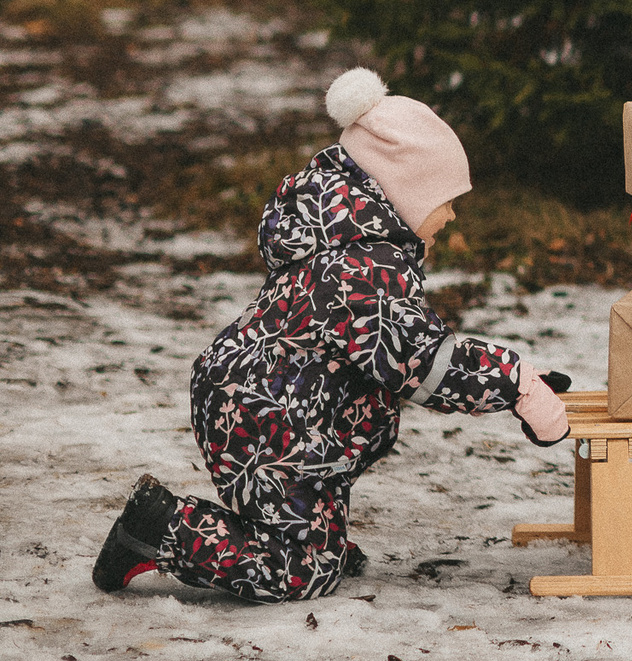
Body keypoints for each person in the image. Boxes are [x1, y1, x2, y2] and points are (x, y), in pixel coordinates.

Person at [91, 69, 573, 603]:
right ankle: (159, 529)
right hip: (267, 415)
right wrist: (512, 381)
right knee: (300, 573)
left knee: (314, 525)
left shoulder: (348, 245)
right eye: (446, 198)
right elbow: (422, 360)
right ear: (405, 194)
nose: (453, 213)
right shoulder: (363, 269)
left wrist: (511, 377)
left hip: (279, 407)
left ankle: (312, 540)